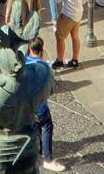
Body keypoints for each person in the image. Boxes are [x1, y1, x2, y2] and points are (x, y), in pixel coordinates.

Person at [26, 36, 66, 171]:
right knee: (47, 127)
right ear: (41, 50)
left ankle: (36, 153)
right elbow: (50, 88)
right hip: (41, 105)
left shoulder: (23, 63)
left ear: (29, 48)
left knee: (34, 128)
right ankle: (47, 158)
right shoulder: (45, 67)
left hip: (27, 105)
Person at [53, 0, 90, 69]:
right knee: (75, 36)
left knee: (59, 37)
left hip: (67, 15)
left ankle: (60, 60)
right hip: (78, 14)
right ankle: (75, 59)